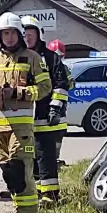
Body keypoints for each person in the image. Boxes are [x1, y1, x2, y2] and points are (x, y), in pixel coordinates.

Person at [0, 12, 51, 213]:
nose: (8, 38)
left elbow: (45, 89)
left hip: (21, 129)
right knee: (9, 174)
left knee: (22, 173)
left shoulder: (33, 58)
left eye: (12, 33)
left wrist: (18, 92)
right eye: (4, 33)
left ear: (19, 34)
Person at [21, 17, 69, 204]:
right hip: (23, 117)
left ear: (38, 34)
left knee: (45, 156)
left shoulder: (50, 57)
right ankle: (32, 192)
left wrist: (55, 108)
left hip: (45, 117)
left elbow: (61, 84)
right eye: (24, 34)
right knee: (26, 157)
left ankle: (50, 195)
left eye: (31, 34)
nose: (27, 37)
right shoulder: (18, 58)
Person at [47, 39, 72, 167]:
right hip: (46, 108)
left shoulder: (65, 69)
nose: (58, 59)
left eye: (60, 56)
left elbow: (70, 85)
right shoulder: (43, 67)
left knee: (58, 135)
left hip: (61, 109)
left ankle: (55, 159)